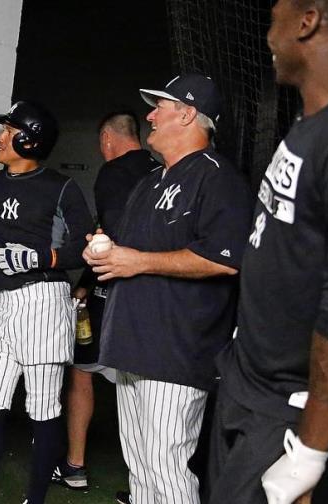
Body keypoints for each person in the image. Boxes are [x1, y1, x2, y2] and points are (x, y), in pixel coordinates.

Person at [208, 0, 328, 503]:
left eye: (275, 15)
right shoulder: (313, 124)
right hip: (251, 393)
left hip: (294, 419)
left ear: (308, 20)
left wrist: (310, 453)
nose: (267, 33)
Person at [84, 73, 252, 504]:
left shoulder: (218, 177)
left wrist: (135, 261)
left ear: (189, 113)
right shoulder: (151, 181)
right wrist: (103, 253)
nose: (150, 115)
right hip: (132, 343)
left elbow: (225, 259)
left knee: (166, 468)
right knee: (140, 469)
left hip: (176, 351)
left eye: (161, 106)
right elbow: (127, 250)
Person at [0, 101, 94, 504]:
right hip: (2, 303)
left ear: (29, 138)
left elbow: (86, 245)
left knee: (43, 409)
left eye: (8, 131)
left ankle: (36, 499)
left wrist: (43, 257)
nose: (0, 137)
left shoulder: (61, 187)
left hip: (46, 300)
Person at [52, 111, 160, 491]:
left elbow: (108, 237)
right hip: (154, 295)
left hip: (112, 292)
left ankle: (75, 466)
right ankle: (144, 482)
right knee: (144, 384)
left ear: (107, 140)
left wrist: (86, 281)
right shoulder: (162, 170)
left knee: (82, 372)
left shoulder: (113, 172)